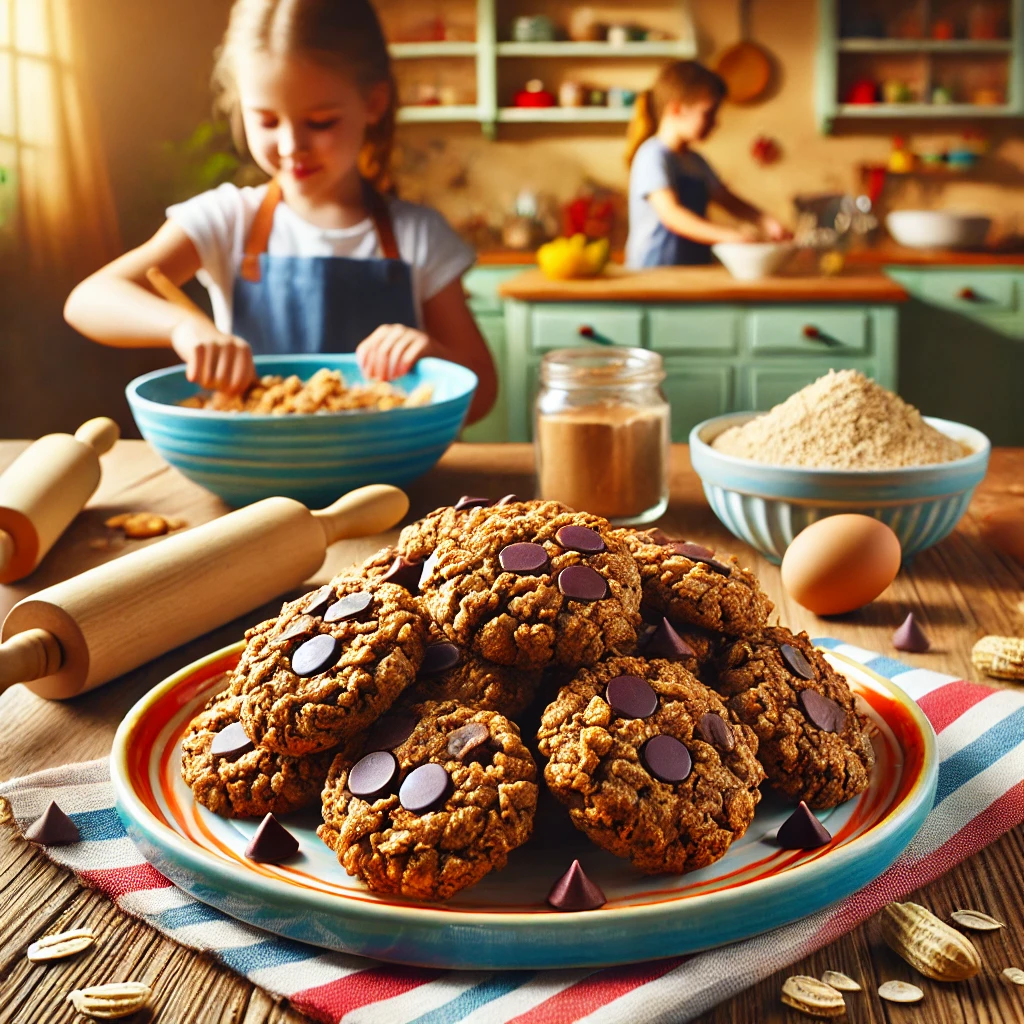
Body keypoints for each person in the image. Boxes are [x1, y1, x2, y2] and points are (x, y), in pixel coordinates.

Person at [64, 0, 496, 423]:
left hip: (392, 482)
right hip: (255, 483)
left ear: (374, 103)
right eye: (268, 121)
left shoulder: (418, 235)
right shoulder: (227, 219)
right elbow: (89, 300)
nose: (291, 146)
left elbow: (483, 394)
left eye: (321, 122)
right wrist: (183, 327)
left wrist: (431, 355)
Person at [624, 61, 790, 269]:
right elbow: (672, 215)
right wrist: (730, 236)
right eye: (708, 112)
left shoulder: (696, 162)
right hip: (655, 272)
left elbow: (728, 200)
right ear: (676, 109)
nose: (715, 122)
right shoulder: (653, 155)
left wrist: (766, 221)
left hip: (692, 269)